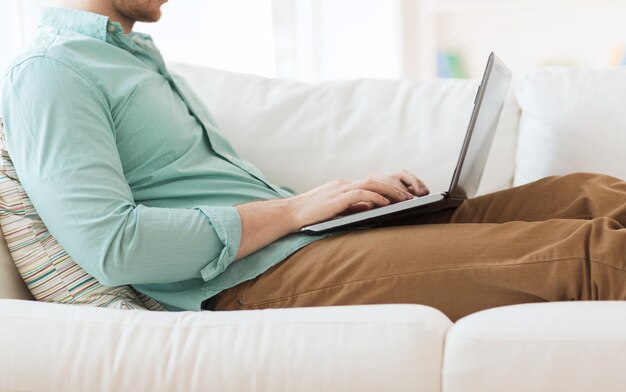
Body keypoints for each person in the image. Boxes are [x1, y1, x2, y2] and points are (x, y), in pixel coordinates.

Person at [1, 0, 625, 321]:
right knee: (589, 255)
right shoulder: (52, 72)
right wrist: (299, 210)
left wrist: (349, 199)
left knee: (583, 193)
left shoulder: (137, 59)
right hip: (248, 283)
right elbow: (115, 245)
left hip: (301, 246)